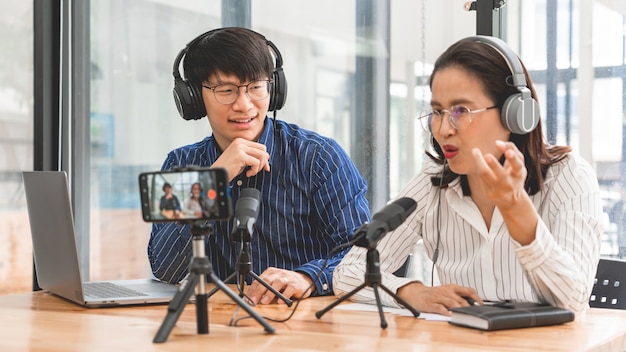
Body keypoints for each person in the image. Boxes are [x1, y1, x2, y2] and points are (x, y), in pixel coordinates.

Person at [333, 35, 604, 316]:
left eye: (461, 110)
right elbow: (347, 273)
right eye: (438, 111)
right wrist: (412, 292)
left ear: (515, 113)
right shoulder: (434, 181)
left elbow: (573, 302)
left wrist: (517, 210)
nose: (443, 129)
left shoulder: (569, 176)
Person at [147, 27, 371, 304]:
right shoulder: (180, 164)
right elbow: (165, 269)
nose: (244, 105)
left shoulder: (319, 157)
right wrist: (213, 180)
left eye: (255, 87)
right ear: (193, 96)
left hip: (302, 325)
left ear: (273, 88)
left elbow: (364, 254)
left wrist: (307, 277)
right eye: (226, 90)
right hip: (220, 327)